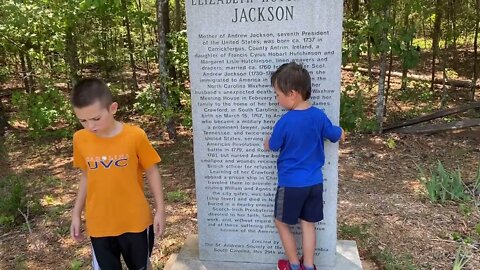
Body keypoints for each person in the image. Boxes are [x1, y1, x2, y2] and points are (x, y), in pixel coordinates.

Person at [69, 78, 165, 270]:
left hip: (136, 222)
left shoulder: (135, 136)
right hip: (99, 224)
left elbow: (152, 171)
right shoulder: (80, 139)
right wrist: (76, 213)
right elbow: (87, 176)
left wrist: (160, 210)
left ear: (112, 108)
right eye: (83, 120)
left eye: (96, 118)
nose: (90, 126)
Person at [264, 62, 345, 270]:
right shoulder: (318, 115)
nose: (277, 99)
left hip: (291, 184)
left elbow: (273, 145)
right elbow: (335, 134)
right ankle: (308, 265)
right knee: (308, 224)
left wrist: (266, 142)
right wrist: (342, 132)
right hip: (314, 183)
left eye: (277, 94)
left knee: (281, 222)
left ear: (292, 94)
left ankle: (292, 264)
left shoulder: (285, 122)